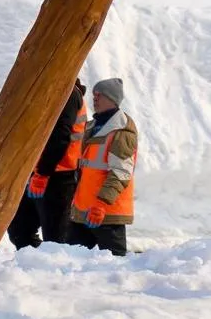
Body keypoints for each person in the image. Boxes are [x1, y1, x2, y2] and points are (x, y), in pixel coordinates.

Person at [9, 79, 86, 250]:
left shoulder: (69, 94)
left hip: (58, 177)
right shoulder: (46, 91)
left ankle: (55, 272)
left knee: (55, 239)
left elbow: (60, 136)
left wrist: (43, 174)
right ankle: (33, 268)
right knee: (19, 230)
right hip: (34, 171)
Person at [69, 78, 137, 256]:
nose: (95, 98)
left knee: (114, 267)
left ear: (112, 99)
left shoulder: (121, 131)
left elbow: (121, 173)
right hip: (83, 210)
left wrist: (101, 205)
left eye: (100, 95)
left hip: (107, 214)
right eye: (94, 95)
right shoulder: (92, 126)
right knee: (73, 264)